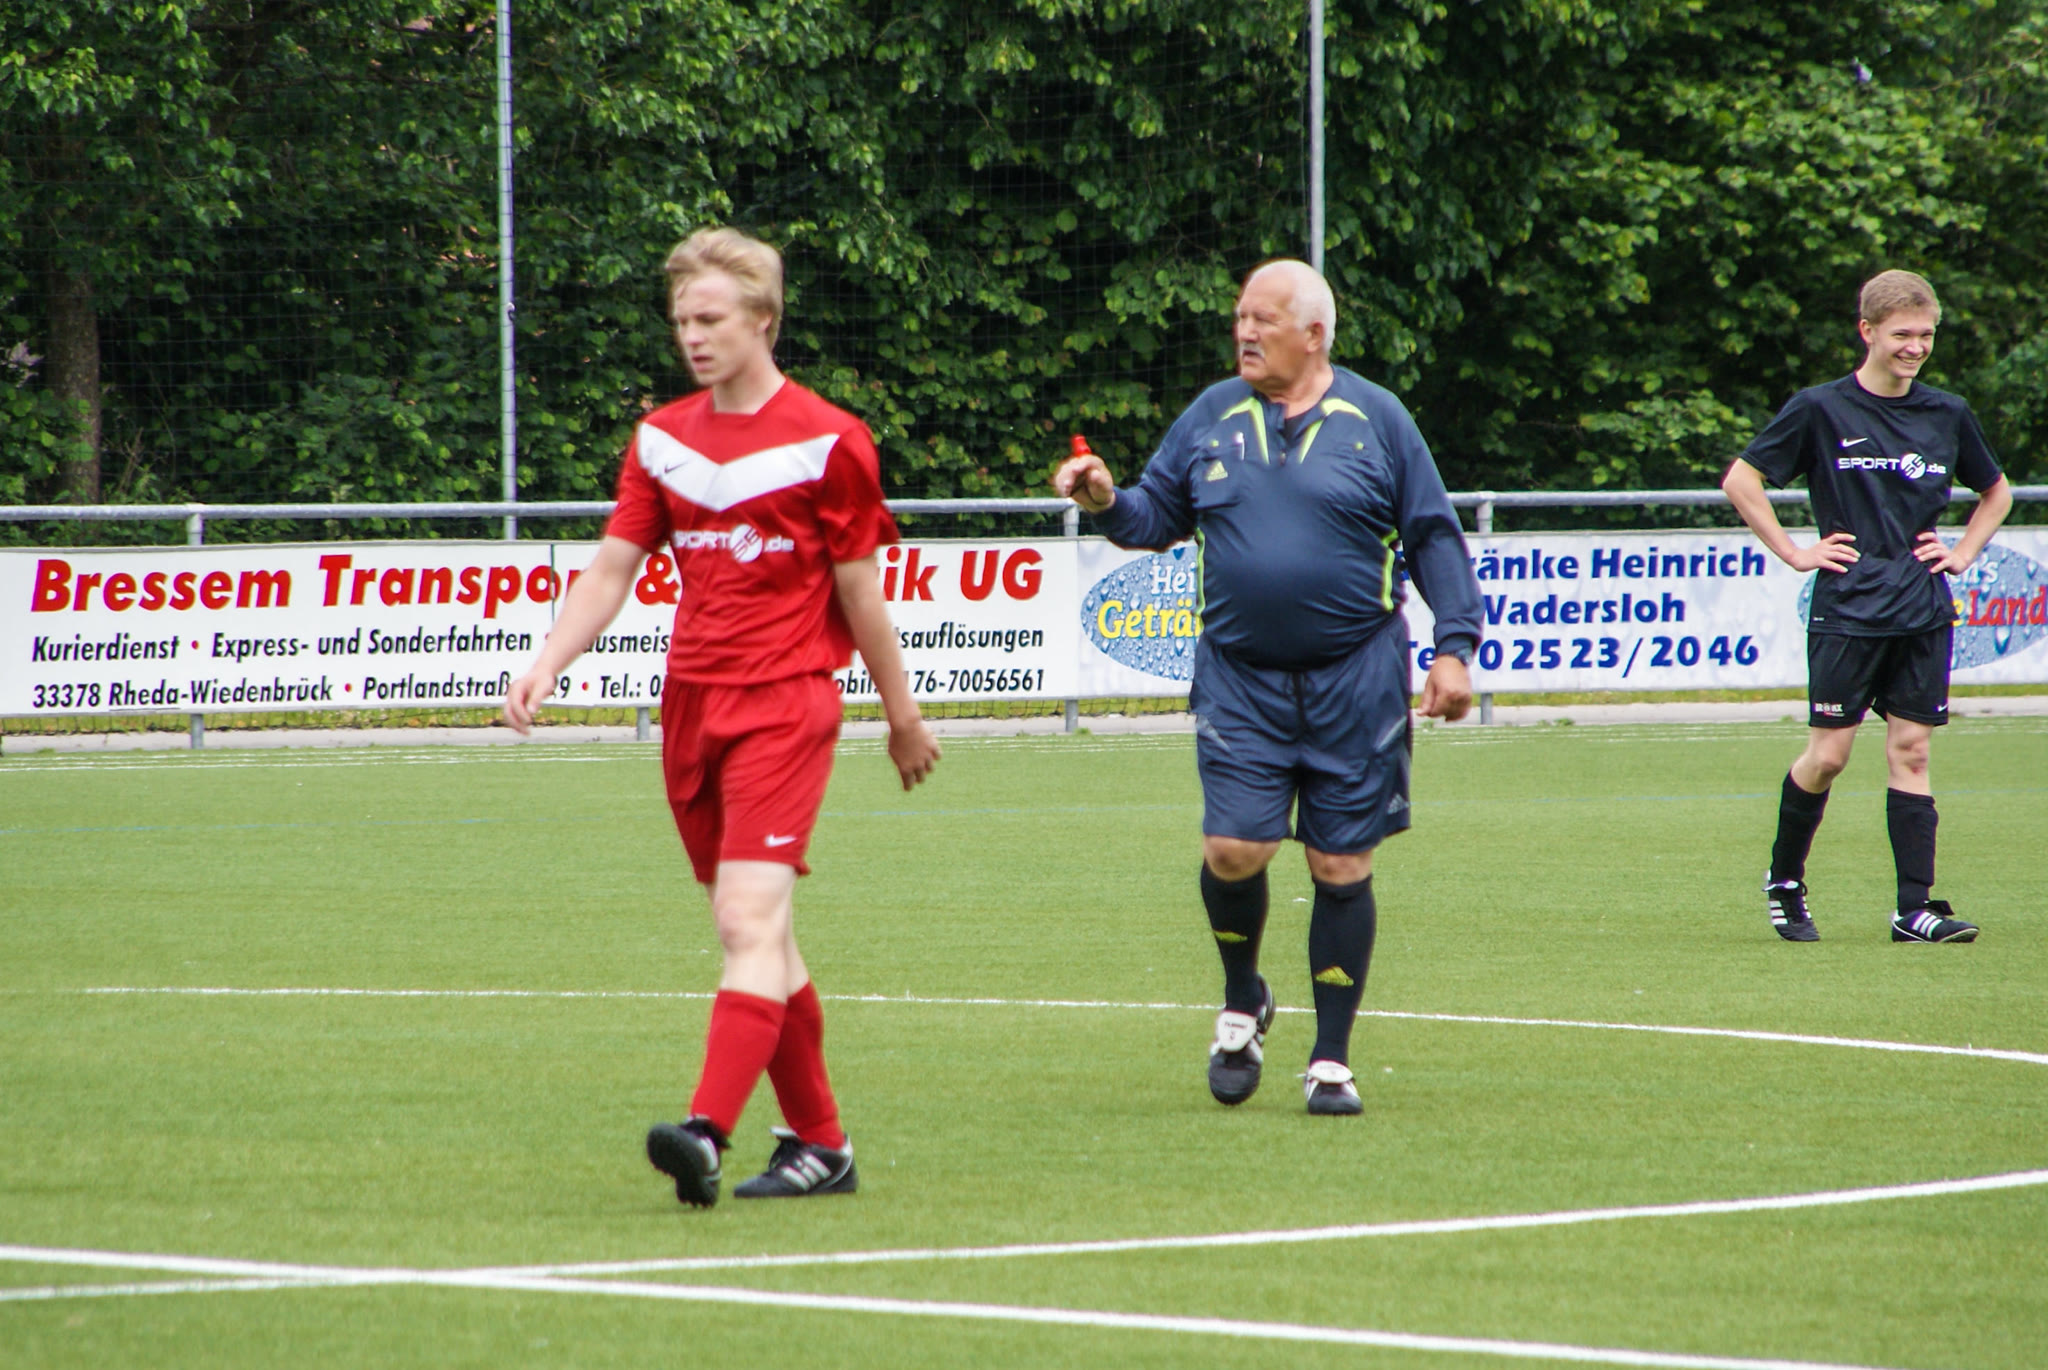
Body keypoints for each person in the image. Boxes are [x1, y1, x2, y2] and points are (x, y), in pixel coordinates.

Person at [503, 227, 940, 1206]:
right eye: (680, 321)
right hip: (691, 709)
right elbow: (612, 568)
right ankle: (821, 1145)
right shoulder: (661, 438)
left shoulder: (829, 439)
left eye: (709, 319)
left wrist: (901, 714)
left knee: (747, 918)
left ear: (764, 320)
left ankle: (703, 1129)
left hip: (786, 704)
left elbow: (861, 592)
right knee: (763, 938)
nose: (692, 337)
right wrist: (546, 663)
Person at [1054, 259, 1483, 1115]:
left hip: (1357, 678)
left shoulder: (1379, 420)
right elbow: (1153, 516)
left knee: (1339, 861)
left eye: (1264, 319)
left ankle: (1331, 1060)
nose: (1244, 332)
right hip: (1240, 680)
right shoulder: (1212, 415)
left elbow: (1434, 536)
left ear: (1314, 334)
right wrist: (1105, 499)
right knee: (1232, 851)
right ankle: (1243, 997)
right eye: (1241, 317)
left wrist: (1455, 648)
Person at [1722, 269, 2012, 944]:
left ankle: (1915, 909)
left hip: (1922, 607)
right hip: (1848, 608)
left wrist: (1963, 552)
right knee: (1829, 756)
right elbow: (1742, 479)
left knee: (1911, 752)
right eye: (1903, 334)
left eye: (1927, 335)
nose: (1916, 347)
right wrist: (1796, 552)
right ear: (1868, 331)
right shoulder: (1821, 409)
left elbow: (1996, 491)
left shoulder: (1947, 413)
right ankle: (1785, 882)